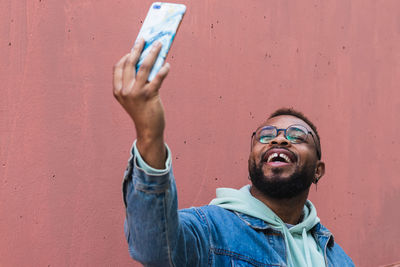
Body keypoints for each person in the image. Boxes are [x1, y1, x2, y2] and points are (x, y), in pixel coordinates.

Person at [113, 39, 355, 267]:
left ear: (318, 170)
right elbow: (155, 248)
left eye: (297, 136)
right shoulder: (210, 229)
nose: (279, 139)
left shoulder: (337, 258)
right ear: (252, 159)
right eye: (266, 135)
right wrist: (149, 134)